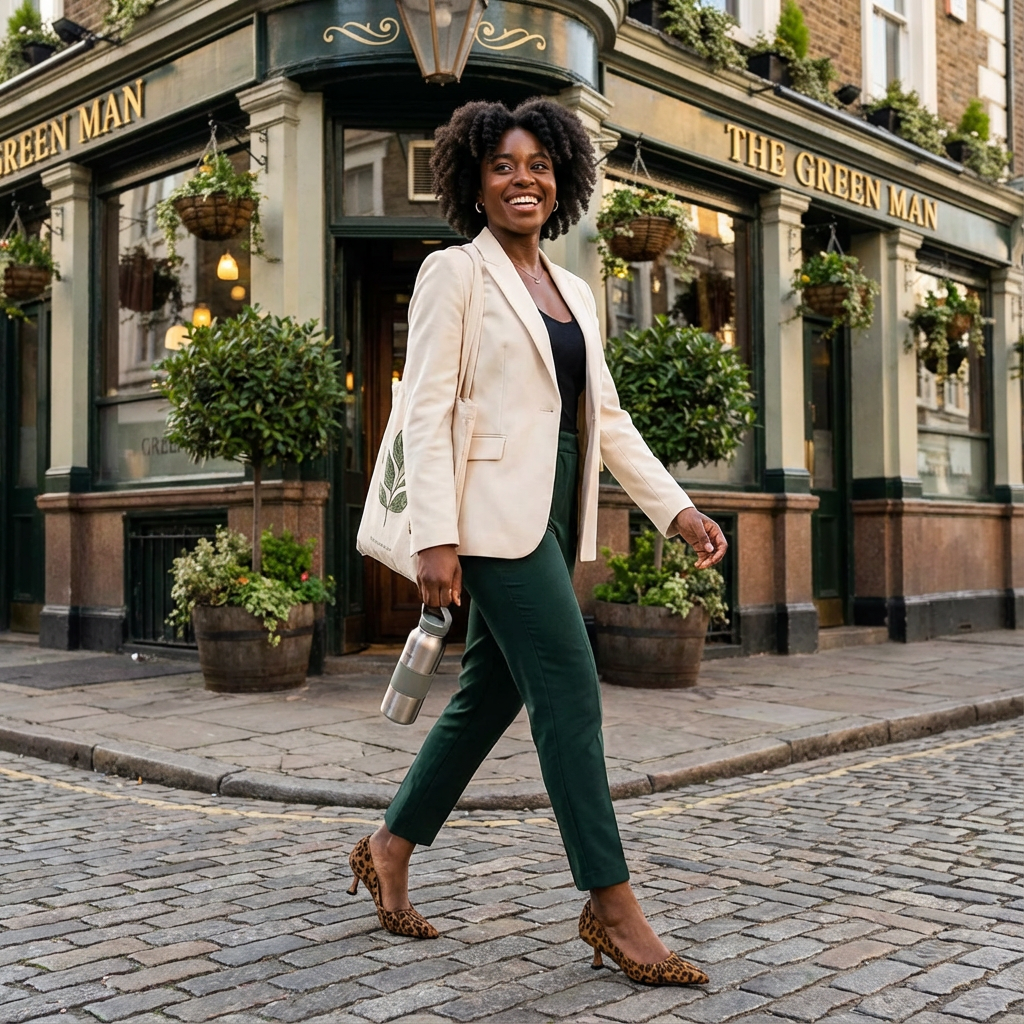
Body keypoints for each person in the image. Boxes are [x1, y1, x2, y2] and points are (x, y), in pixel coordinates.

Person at [348, 98, 727, 986]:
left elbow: (606, 418)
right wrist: (435, 538)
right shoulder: (455, 273)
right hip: (486, 516)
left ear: (563, 179)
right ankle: (613, 908)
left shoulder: (576, 290)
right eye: (503, 166)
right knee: (569, 689)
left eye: (539, 166)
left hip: (555, 508)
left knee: (489, 696)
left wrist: (676, 509)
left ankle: (389, 845)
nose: (524, 180)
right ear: (474, 183)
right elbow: (423, 410)